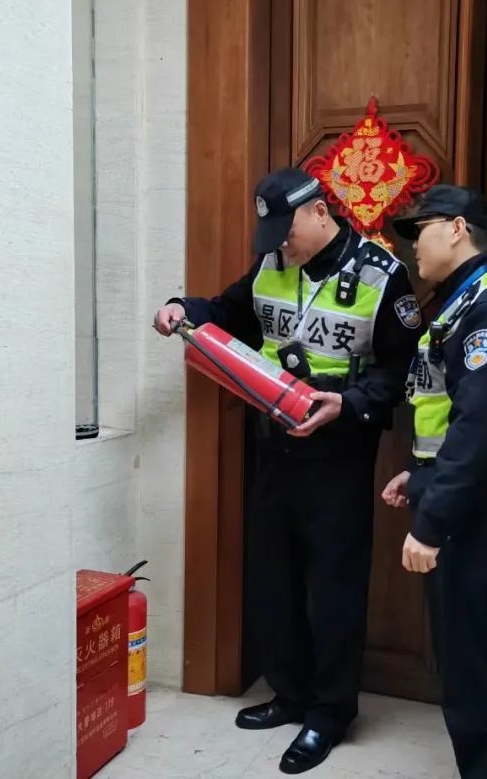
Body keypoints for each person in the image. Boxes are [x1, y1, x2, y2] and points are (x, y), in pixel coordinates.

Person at [154, 167, 423, 774]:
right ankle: (291, 693)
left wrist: (347, 405)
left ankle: (330, 712)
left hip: (337, 456)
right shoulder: (272, 265)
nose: (281, 244)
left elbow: (402, 370)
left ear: (320, 211)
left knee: (333, 589)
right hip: (274, 448)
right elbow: (225, 312)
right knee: (273, 579)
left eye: (287, 230)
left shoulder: (381, 276)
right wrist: (180, 307)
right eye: (272, 234)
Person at [381, 184, 487, 779]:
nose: (412, 246)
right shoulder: (464, 301)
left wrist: (431, 523)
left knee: (474, 669)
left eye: (419, 231)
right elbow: (456, 416)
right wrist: (421, 474)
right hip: (472, 497)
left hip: (481, 510)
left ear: (456, 229)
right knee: (466, 663)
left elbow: (479, 429)